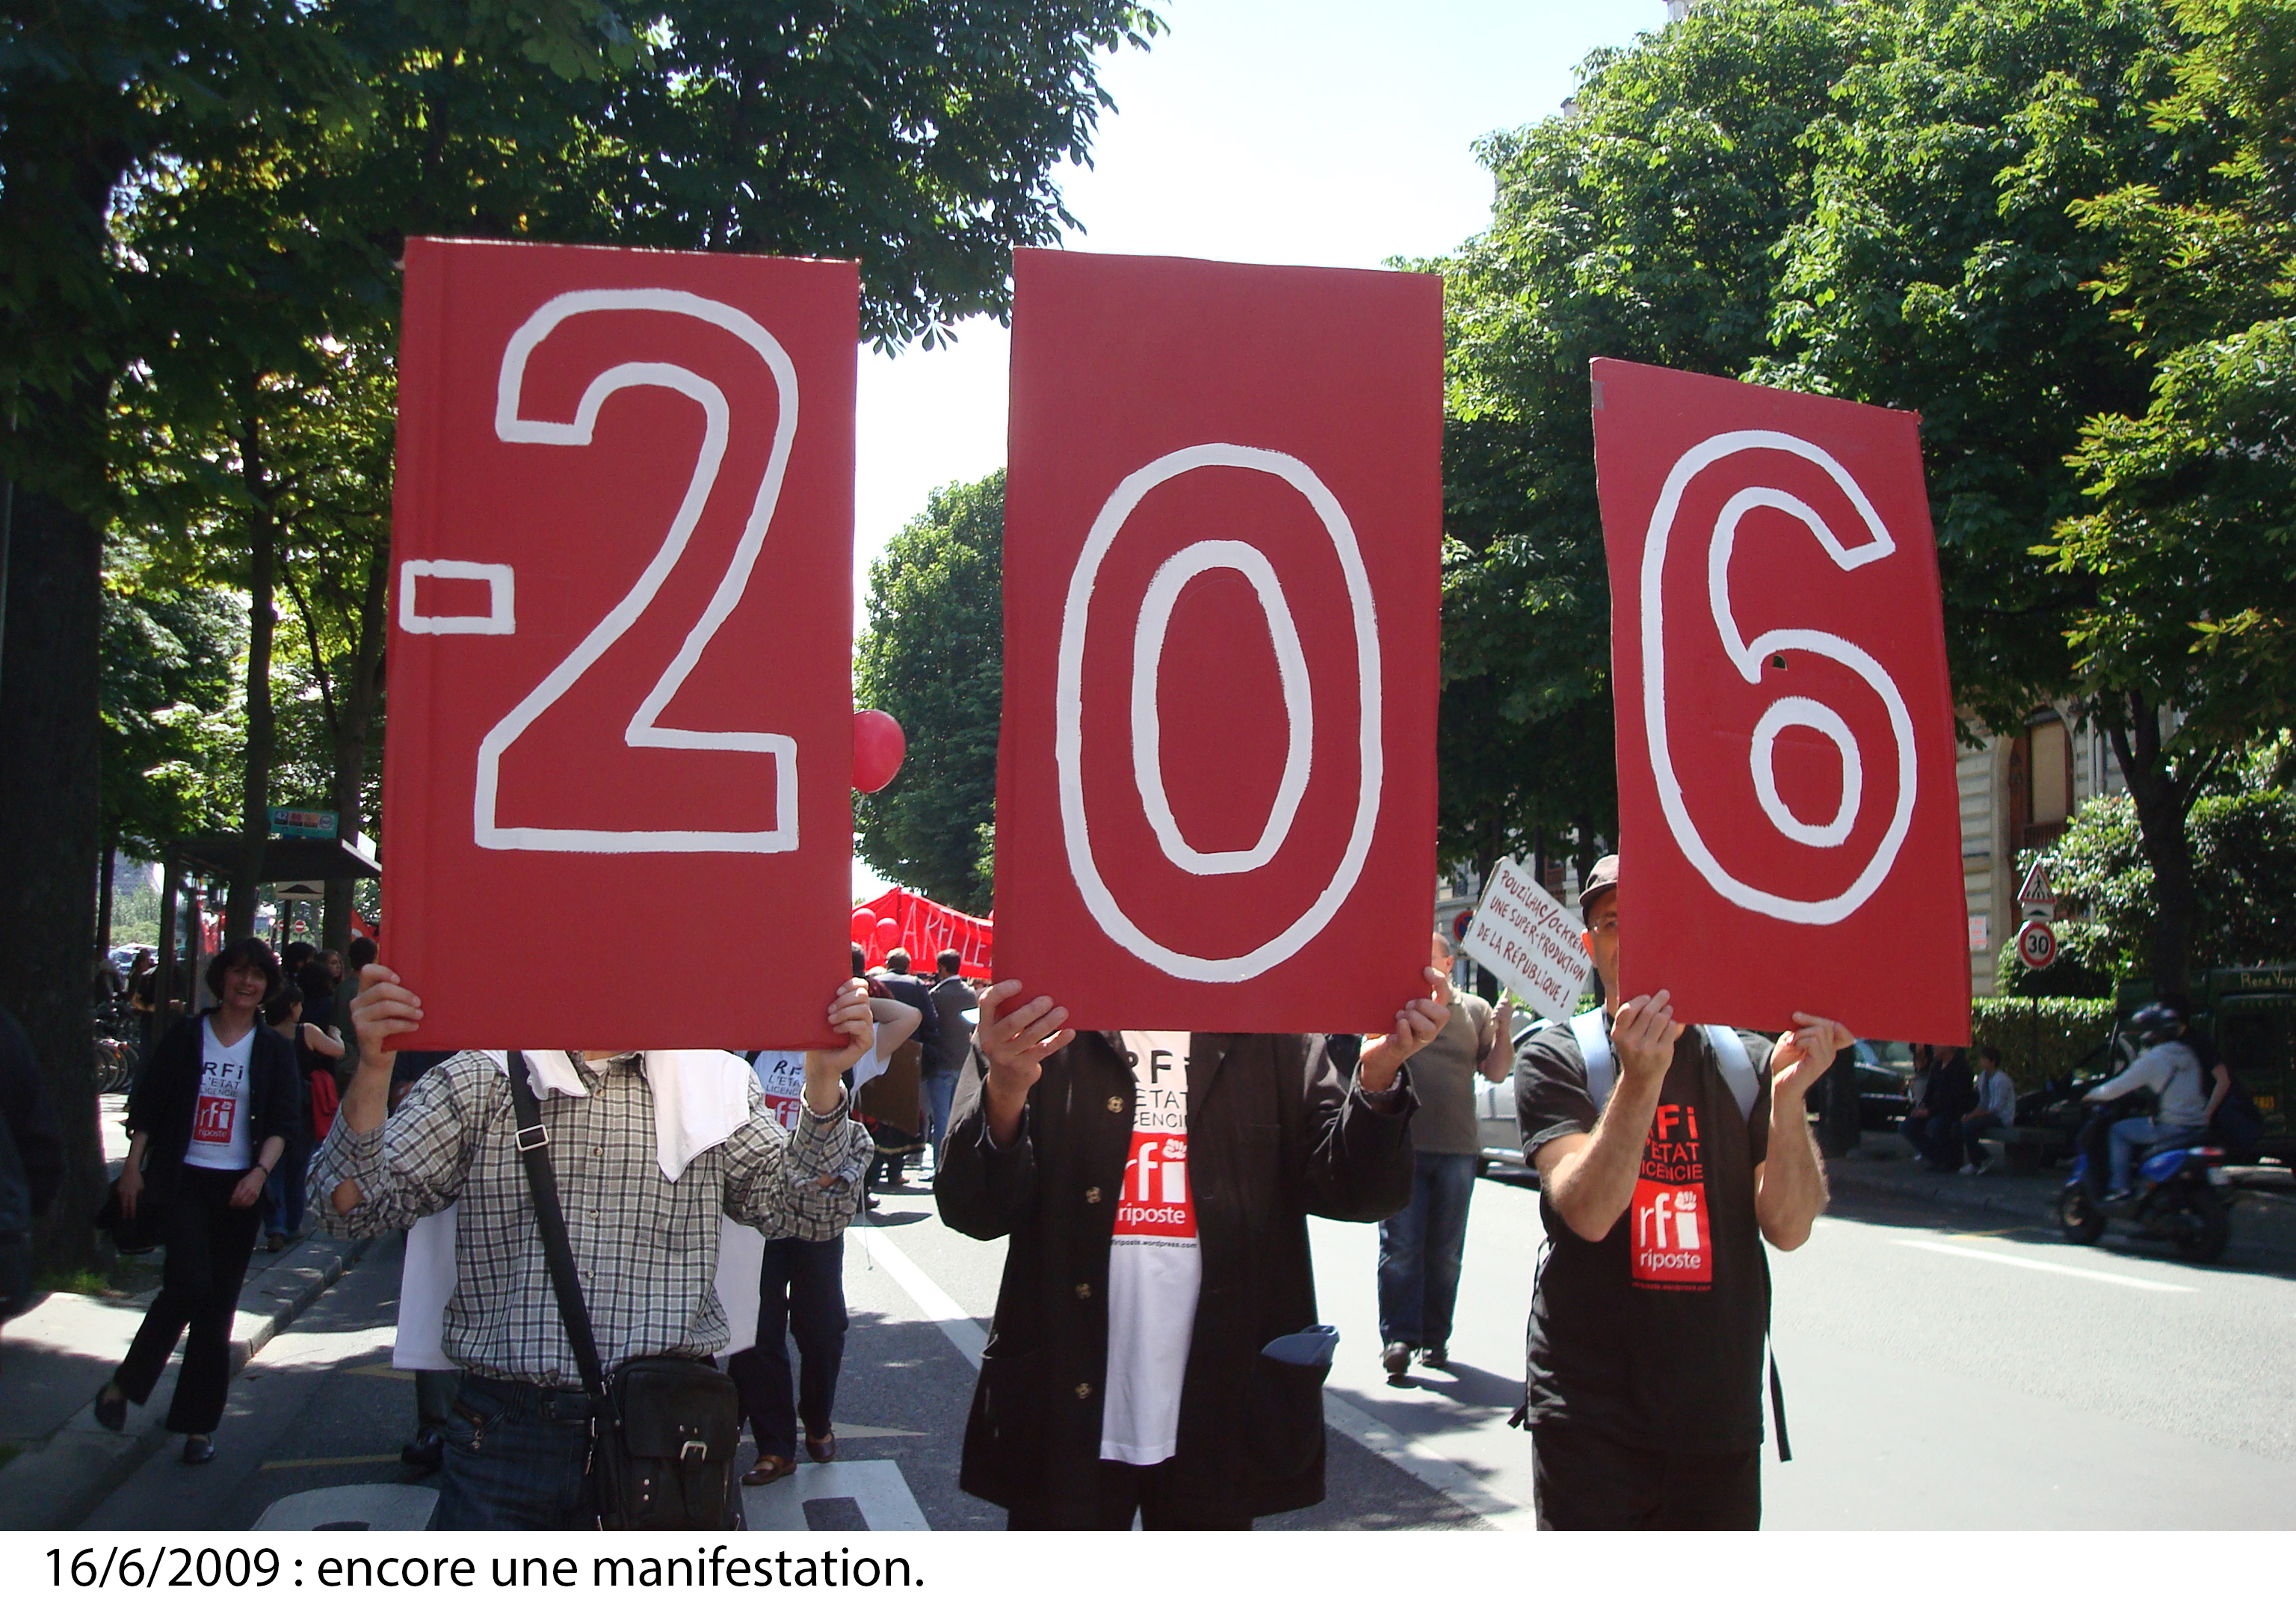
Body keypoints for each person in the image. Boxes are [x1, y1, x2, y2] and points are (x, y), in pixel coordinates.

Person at [309, 964, 877, 1530]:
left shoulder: (715, 1083)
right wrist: (374, 1066)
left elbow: (810, 1211)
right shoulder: (478, 1077)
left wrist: (824, 1084)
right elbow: (349, 1207)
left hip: (668, 1431)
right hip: (507, 1436)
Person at [935, 967, 1450, 1530]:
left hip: (1220, 1407)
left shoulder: (1270, 1019)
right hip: (1063, 1400)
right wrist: (1006, 1089)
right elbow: (974, 1209)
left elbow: (1355, 1189)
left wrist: (1376, 1075)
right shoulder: (1036, 1015)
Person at [1513, 854, 1844, 1530]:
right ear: (1590, 946)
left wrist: (1789, 1099)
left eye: (1653, 920)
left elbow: (1788, 1225)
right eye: (1611, 922)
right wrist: (1640, 1079)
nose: (1633, 938)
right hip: (1589, 1416)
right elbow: (1589, 1211)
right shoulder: (1555, 1055)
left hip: (1715, 1420)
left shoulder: (1743, 1060)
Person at [93, 939, 302, 1463]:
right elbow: (149, 1105)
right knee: (188, 1284)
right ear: (222, 979)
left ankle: (197, 1425)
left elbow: (282, 1121)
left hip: (240, 1188)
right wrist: (134, 1169)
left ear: (267, 987)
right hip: (183, 1180)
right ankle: (125, 1385)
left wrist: (260, 1173)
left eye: (257, 976)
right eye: (238, 972)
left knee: (217, 1311)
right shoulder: (187, 1036)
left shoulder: (274, 1049)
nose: (247, 983)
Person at [726, 1003, 905, 1486]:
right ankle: (775, 1445)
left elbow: (908, 1019)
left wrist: (858, 993)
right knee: (757, 1334)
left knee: (822, 1328)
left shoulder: (839, 1045)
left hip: (818, 1215)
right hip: (757, 1210)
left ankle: (818, 1416)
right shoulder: (747, 1045)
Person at [1377, 931, 1510, 1382]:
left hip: (1457, 1150)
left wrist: (1506, 1027)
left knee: (1446, 1252)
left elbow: (1496, 1071)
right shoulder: (1398, 1008)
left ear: (1449, 965)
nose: (1418, 966)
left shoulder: (1474, 1011)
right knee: (1401, 1248)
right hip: (1404, 1147)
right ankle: (1399, 1340)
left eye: (1428, 957)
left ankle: (1436, 1338)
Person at [2084, 1003, 2209, 1203]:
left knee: (2118, 1131)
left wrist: (2091, 1095)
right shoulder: (2188, 1055)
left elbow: (2117, 1087)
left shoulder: (2155, 1059)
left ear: (2152, 1033)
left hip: (2171, 1127)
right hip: (2198, 1127)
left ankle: (2120, 1188)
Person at [259, 985, 342, 1249]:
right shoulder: (306, 1031)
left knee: (272, 1168)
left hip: (270, 1105)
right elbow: (337, 1051)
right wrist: (337, 1035)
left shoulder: (264, 1033)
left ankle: (274, 1225)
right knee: (298, 1169)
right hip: (301, 1106)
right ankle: (293, 1224)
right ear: (292, 1006)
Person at [925, 951, 978, 1165]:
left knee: (942, 1119)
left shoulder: (936, 995)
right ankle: (960, 1162)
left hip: (941, 1064)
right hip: (964, 1062)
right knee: (961, 1117)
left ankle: (941, 1163)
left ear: (942, 968)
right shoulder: (970, 993)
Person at [1899, 1044, 1975, 1171]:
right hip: (1934, 1110)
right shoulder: (1937, 1067)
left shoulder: (1960, 1069)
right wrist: (1922, 1106)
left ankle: (1950, 1161)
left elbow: (1955, 1100)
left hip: (1952, 1112)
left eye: (1938, 1044)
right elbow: (1930, 1091)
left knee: (1935, 1125)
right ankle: (1937, 1158)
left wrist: (1929, 1111)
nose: (1934, 1047)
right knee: (1907, 1126)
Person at [874, 948, 942, 1085]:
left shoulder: (875, 982)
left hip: (877, 1047)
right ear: (908, 966)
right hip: (909, 1049)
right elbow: (930, 1019)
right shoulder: (916, 984)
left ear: (887, 964)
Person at [1959, 1047, 2018, 1176]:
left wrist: (1975, 1116)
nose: (1981, 1061)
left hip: (2001, 1117)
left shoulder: (2001, 1080)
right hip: (1989, 1114)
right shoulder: (1982, 1078)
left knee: (1970, 1126)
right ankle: (1977, 1159)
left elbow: (1997, 1108)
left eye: (1984, 1059)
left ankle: (1982, 1159)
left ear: (1993, 1061)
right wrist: (1971, 1115)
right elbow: (1983, 1103)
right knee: (1963, 1124)